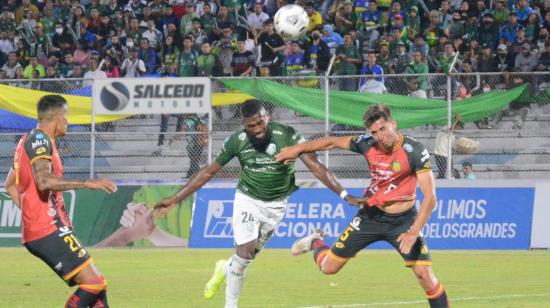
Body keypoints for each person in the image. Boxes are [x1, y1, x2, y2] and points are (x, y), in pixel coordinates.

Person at [154, 100, 363, 308]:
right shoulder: (238, 141)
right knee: (244, 254)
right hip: (248, 200)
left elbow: (316, 167)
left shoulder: (288, 136)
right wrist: (175, 199)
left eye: (260, 123)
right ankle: (231, 305)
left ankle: (224, 268)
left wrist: (344, 194)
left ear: (267, 118)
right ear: (244, 125)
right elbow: (208, 172)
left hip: (276, 206)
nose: (257, 129)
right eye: (251, 126)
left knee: (247, 257)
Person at [275, 104, 450, 308]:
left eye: (382, 129)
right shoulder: (367, 144)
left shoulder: (414, 150)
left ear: (393, 124)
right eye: (374, 132)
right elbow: (331, 142)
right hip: (370, 216)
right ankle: (314, 242)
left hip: (403, 222)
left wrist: (414, 231)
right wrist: (296, 149)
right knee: (328, 268)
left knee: (424, 274)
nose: (379, 136)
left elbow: (430, 197)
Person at [3, 95, 117, 307]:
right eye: (66, 116)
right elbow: (44, 181)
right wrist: (88, 183)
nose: (68, 121)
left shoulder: (27, 142)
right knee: (94, 283)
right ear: (57, 116)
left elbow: (10, 184)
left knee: (99, 293)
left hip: (46, 227)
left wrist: (31, 213)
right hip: (47, 228)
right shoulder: (40, 141)